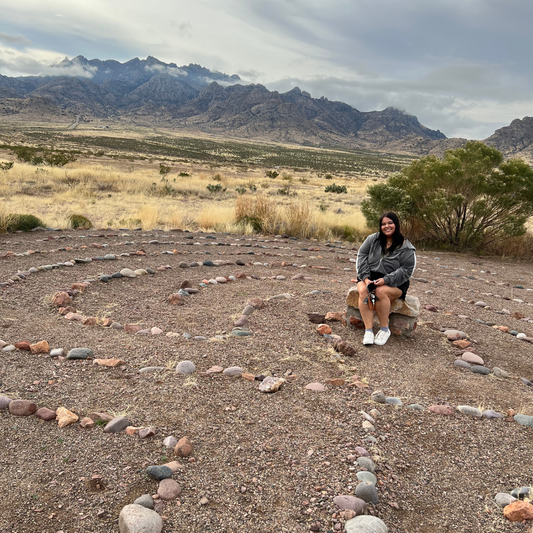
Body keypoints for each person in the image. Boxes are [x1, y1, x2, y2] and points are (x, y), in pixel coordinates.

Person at [355, 212, 416, 346]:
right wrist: (366, 279)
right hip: (369, 277)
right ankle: (369, 330)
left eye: (390, 223)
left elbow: (406, 270)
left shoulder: (406, 247)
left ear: (396, 224)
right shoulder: (372, 239)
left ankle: (384, 329)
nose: (386, 226)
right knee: (365, 291)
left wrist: (385, 280)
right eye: (383, 224)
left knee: (380, 291)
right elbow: (361, 257)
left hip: (395, 283)